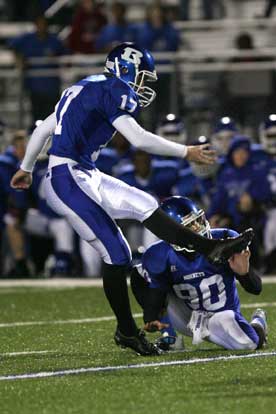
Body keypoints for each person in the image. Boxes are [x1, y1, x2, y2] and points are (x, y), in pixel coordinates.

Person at [11, 42, 253, 356]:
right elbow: (138, 139)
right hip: (66, 177)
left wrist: (26, 167)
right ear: (125, 69)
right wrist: (186, 151)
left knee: (146, 204)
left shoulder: (83, 87)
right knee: (118, 253)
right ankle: (126, 332)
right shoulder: (113, 88)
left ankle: (212, 249)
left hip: (83, 171)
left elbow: (44, 128)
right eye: (142, 76)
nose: (144, 85)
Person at [131, 196, 267, 351]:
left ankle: (258, 324)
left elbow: (256, 289)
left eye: (198, 220)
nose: (198, 228)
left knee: (249, 343)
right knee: (140, 273)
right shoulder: (159, 254)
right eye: (190, 225)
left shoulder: (224, 239)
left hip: (221, 317)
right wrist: (151, 315)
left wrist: (244, 273)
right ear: (173, 233)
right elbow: (150, 287)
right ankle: (169, 338)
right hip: (186, 318)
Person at [9, 15, 67, 124]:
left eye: (44, 24)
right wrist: (19, 59)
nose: (41, 27)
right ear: (35, 25)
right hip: (34, 87)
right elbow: (12, 46)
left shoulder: (54, 41)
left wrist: (55, 58)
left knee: (53, 118)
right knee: (37, 119)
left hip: (52, 87)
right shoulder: (27, 39)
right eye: (39, 24)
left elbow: (66, 56)